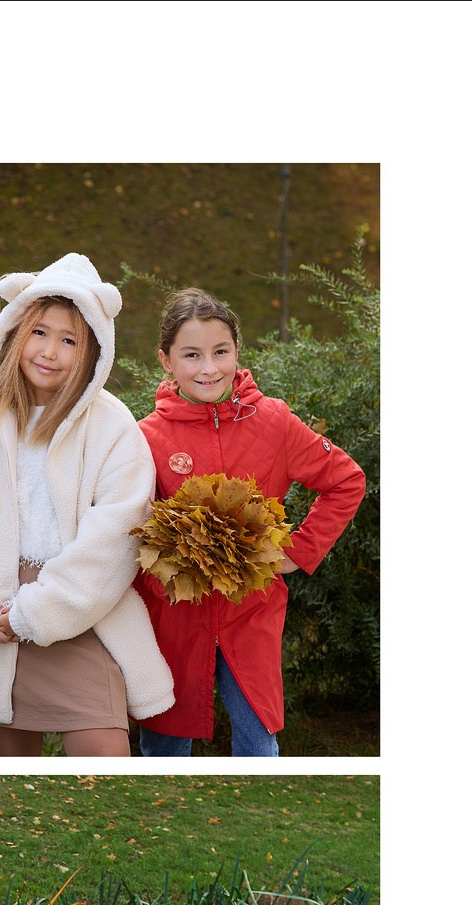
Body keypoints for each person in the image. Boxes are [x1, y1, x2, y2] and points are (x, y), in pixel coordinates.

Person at [0, 253, 169, 756]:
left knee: (103, 752)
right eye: (39, 332)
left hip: (79, 609)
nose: (50, 351)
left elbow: (117, 533)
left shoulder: (112, 426)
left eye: (69, 340)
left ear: (92, 350)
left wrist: (38, 611)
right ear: (14, 333)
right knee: (12, 764)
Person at [133, 287, 368, 757]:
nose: (209, 368)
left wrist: (299, 552)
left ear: (237, 351)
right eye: (191, 355)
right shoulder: (146, 436)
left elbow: (346, 480)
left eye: (221, 352)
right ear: (165, 360)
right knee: (164, 740)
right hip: (173, 616)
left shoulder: (274, 421)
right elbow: (127, 524)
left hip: (252, 610)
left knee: (258, 739)